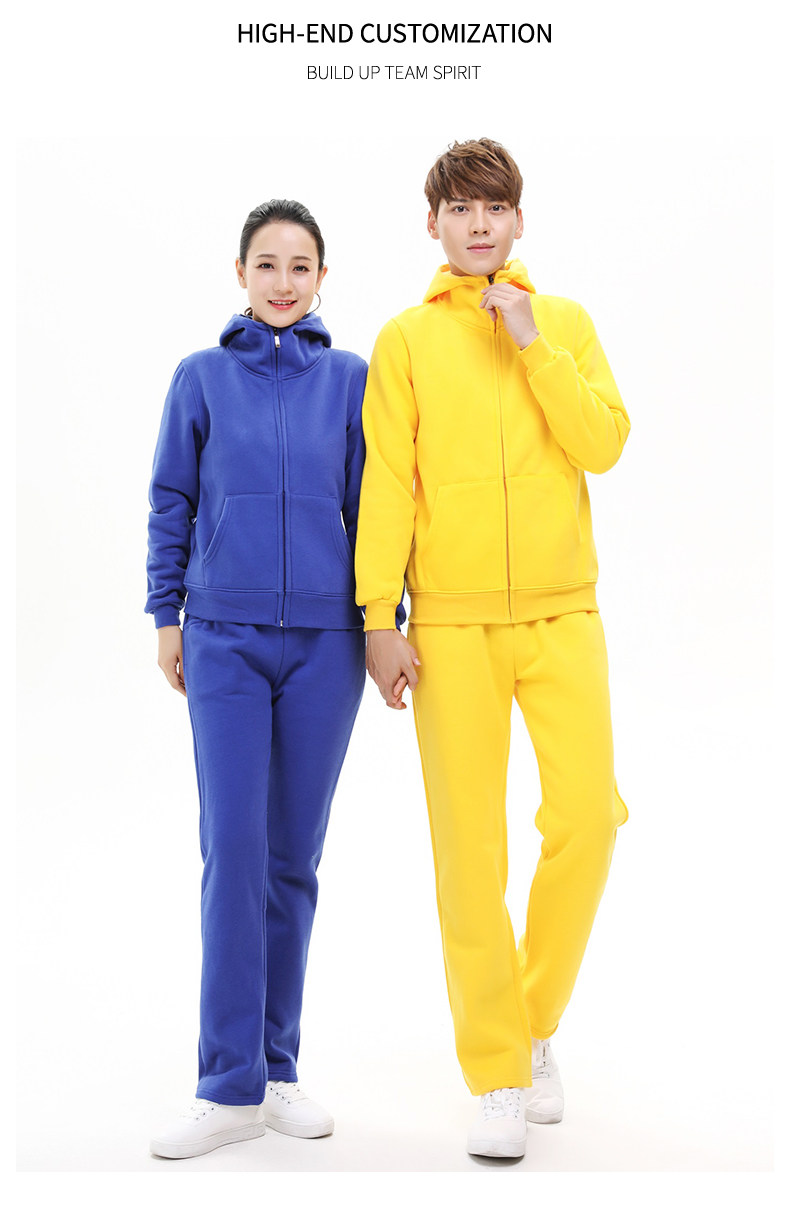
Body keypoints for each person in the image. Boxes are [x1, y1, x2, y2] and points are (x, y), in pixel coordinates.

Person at [355, 139, 630, 1160]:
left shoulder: (565, 322)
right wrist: (377, 617)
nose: (478, 224)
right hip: (450, 624)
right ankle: (499, 1074)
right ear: (432, 223)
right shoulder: (405, 340)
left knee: (589, 817)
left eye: (494, 207)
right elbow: (388, 482)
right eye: (460, 209)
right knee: (469, 850)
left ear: (519, 220)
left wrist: (531, 344)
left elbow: (604, 443)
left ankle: (530, 1017)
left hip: (563, 614)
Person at [145, 199, 367, 1160]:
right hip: (224, 638)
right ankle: (225, 1085)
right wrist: (167, 615)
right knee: (232, 850)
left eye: (300, 266)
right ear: (240, 273)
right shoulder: (200, 376)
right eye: (267, 264)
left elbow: (376, 509)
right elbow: (171, 498)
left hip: (326, 644)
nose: (283, 282)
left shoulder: (352, 381)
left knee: (292, 861)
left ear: (322, 278)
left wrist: (383, 620)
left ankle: (277, 1071)